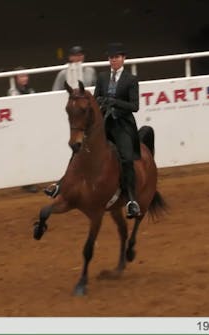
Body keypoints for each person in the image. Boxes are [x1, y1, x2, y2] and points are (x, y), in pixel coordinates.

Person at [45, 42, 142, 218]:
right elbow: (96, 100)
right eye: (112, 58)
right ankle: (61, 184)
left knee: (127, 158)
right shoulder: (103, 78)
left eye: (117, 57)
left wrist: (114, 102)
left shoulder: (131, 80)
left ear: (123, 59)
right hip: (104, 123)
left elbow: (134, 106)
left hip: (122, 125)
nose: (114, 60)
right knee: (79, 148)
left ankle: (131, 200)